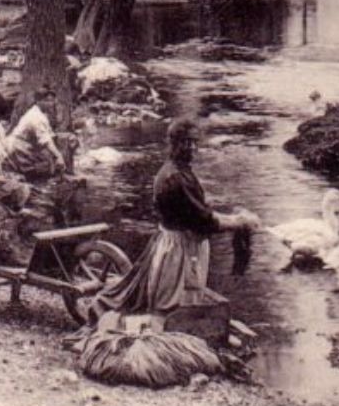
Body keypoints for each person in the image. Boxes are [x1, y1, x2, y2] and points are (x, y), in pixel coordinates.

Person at [87, 119, 255, 321]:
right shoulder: (175, 178)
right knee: (172, 302)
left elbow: (198, 210)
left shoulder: (177, 170)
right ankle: (170, 332)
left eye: (194, 142)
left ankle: (179, 327)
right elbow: (204, 221)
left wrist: (233, 218)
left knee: (182, 296)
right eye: (185, 142)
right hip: (178, 250)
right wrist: (239, 222)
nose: (191, 147)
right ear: (173, 144)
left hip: (177, 243)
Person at [4, 85, 68, 182]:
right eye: (47, 101)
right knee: (44, 165)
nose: (50, 104)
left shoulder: (41, 113)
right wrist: (58, 156)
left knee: (50, 159)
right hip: (19, 147)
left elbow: (48, 134)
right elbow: (45, 140)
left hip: (27, 144)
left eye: (52, 101)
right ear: (38, 101)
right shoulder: (35, 116)